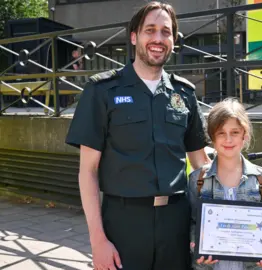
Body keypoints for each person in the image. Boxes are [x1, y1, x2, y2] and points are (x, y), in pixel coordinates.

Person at [64, 2, 210, 270]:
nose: (157, 39)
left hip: (176, 222)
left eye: (165, 32)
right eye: (150, 30)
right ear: (134, 37)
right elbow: (87, 171)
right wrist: (98, 242)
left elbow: (201, 164)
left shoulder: (185, 94)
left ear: (174, 40)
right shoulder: (102, 91)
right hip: (123, 224)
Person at [188, 98, 262, 270]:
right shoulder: (198, 179)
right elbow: (190, 221)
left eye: (235, 132)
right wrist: (196, 245)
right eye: (221, 133)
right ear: (212, 138)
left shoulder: (261, 179)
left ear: (244, 135)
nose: (228, 139)